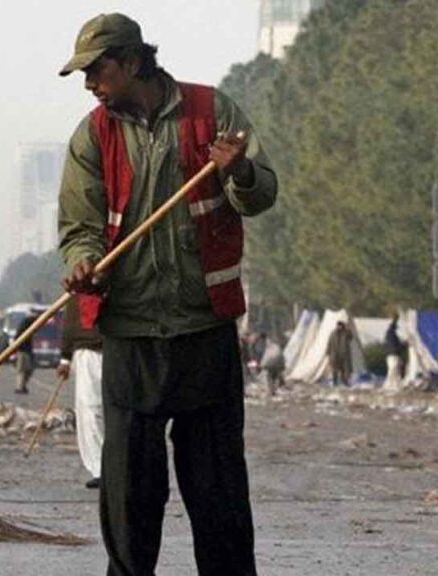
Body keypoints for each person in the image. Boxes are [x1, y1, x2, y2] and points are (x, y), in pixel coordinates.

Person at [58, 13, 277, 575]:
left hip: (203, 330)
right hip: (131, 336)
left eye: (95, 71)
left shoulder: (213, 112)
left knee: (219, 494)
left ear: (132, 63)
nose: (89, 84)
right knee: (130, 500)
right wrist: (84, 263)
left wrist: (241, 172)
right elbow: (79, 226)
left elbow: (259, 197)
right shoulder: (92, 135)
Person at [57, 297, 104, 489]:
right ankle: (104, 468)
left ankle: (109, 469)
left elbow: (70, 323)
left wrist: (65, 358)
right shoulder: (81, 282)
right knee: (95, 411)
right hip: (95, 351)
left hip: (112, 348)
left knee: (98, 411)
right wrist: (66, 358)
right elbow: (70, 323)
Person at [13, 313, 36, 394]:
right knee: (22, 370)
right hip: (22, 350)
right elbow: (16, 338)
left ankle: (22, 386)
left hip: (27, 350)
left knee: (29, 370)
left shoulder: (27, 325)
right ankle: (19, 387)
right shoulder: (24, 325)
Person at [327, 321, 354, 387]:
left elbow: (351, 337)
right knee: (334, 369)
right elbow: (329, 343)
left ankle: (345, 382)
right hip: (335, 354)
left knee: (344, 370)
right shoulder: (333, 333)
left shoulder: (346, 333)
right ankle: (335, 382)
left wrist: (348, 329)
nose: (339, 327)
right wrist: (328, 352)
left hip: (343, 354)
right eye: (338, 326)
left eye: (341, 326)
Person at [384, 314, 405, 391]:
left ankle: (394, 385)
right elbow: (396, 345)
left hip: (390, 355)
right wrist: (403, 346)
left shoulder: (389, 334)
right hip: (394, 355)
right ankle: (390, 385)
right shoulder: (392, 335)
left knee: (393, 371)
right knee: (393, 370)